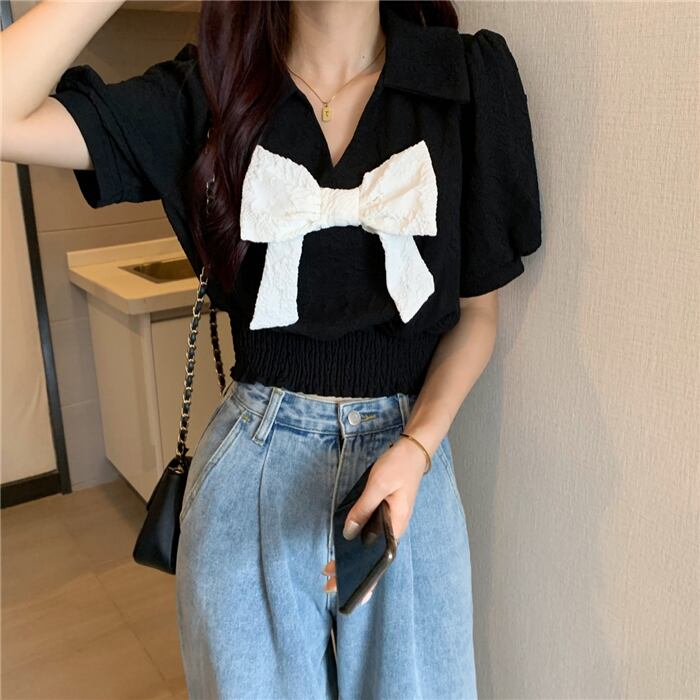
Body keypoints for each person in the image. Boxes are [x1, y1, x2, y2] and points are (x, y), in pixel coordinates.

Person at [1, 1, 542, 697]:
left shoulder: (461, 81)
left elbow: (477, 313)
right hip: (251, 475)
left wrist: (417, 447)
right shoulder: (212, 93)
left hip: (408, 470)